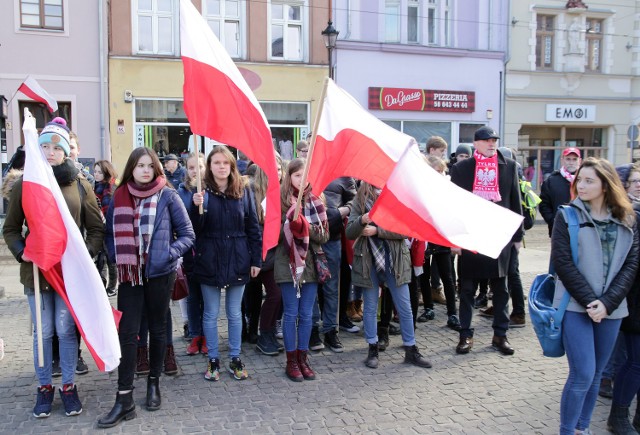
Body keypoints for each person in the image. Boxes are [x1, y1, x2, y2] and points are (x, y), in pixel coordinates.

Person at [3, 117, 104, 418]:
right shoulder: (26, 184)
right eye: (43, 146)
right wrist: (23, 253)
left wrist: (84, 255)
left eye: (55, 147)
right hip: (36, 273)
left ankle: (69, 387)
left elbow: (96, 228)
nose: (49, 152)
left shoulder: (80, 184)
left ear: (65, 151)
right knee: (44, 332)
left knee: (65, 329)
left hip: (67, 274)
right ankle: (45, 387)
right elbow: (10, 229)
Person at [99, 148, 194, 428]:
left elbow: (188, 234)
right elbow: (108, 235)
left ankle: (154, 383)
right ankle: (124, 397)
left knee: (158, 329)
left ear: (156, 169)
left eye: (149, 166)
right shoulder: (119, 196)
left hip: (159, 274)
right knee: (127, 334)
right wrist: (118, 257)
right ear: (131, 168)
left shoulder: (168, 195)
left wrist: (168, 253)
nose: (144, 170)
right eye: (139, 166)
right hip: (130, 276)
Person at [551, 157, 638, 435]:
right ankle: (567, 431)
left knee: (598, 373)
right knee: (583, 374)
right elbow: (563, 264)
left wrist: (608, 303)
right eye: (580, 180)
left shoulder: (627, 218)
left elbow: (631, 264)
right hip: (576, 307)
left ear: (606, 185)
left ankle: (582, 428)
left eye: (590, 180)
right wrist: (592, 302)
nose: (582, 185)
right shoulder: (567, 216)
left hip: (612, 309)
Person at [449, 126, 523, 356]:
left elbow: (514, 202)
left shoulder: (508, 166)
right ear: (476, 143)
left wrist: (518, 236)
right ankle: (465, 336)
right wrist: (455, 239)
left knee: (501, 288)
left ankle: (500, 336)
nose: (491, 144)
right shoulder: (462, 168)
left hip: (499, 234)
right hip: (472, 235)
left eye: (494, 140)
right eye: (486, 140)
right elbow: (455, 206)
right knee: (468, 289)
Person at [190, 146, 262, 382]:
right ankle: (213, 359)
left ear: (232, 166)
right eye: (216, 162)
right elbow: (194, 231)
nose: (221, 166)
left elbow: (253, 227)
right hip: (209, 258)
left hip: (238, 257)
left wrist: (256, 259)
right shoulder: (202, 192)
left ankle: (235, 357)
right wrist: (195, 207)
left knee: (234, 312)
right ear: (209, 166)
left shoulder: (244, 190)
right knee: (210, 313)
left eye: (225, 163)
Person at [346, 182, 433, 370]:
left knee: (404, 306)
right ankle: (373, 348)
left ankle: (411, 349)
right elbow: (350, 232)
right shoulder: (359, 198)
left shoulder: (397, 193)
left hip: (395, 261)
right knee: (369, 307)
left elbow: (406, 229)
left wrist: (378, 231)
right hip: (368, 259)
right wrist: (362, 220)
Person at [275, 158, 329, 382]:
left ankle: (303, 358)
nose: (302, 180)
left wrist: (305, 227)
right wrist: (289, 225)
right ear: (289, 177)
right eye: (297, 175)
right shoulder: (279, 200)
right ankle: (291, 361)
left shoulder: (317, 201)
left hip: (311, 263)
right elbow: (272, 236)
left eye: (305, 175)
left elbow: (324, 235)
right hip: (287, 262)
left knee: (307, 314)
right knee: (291, 313)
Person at [309, 176, 357, 352]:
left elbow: (354, 200)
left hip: (332, 236)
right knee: (310, 286)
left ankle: (330, 330)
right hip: (308, 236)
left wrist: (340, 212)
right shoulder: (306, 167)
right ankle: (312, 329)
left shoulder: (344, 176)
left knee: (331, 286)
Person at [252, 158, 286, 356]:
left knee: (278, 295)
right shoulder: (253, 192)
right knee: (273, 294)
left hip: (280, 253)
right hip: (262, 253)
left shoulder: (283, 193)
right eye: (274, 169)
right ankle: (263, 334)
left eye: (280, 168)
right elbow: (255, 225)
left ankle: (269, 332)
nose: (278, 172)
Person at [178, 153, 208, 357]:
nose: (195, 170)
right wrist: (193, 204)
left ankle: (207, 335)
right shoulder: (182, 191)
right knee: (192, 296)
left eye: (199, 166)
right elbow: (180, 218)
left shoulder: (212, 189)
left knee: (208, 298)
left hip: (208, 250)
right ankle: (195, 333)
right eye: (191, 167)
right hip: (190, 251)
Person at [540, 147, 582, 237]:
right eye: (568, 159)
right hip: (558, 230)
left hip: (582, 229)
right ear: (562, 160)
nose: (571, 162)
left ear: (580, 161)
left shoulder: (585, 180)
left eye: (575, 159)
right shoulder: (551, 180)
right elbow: (544, 204)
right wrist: (553, 220)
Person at [94, 160, 119, 297]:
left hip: (110, 228)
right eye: (95, 171)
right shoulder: (96, 186)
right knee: (101, 258)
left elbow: (110, 210)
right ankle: (101, 285)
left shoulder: (111, 187)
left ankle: (112, 286)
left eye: (99, 172)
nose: (96, 174)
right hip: (98, 227)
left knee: (110, 259)